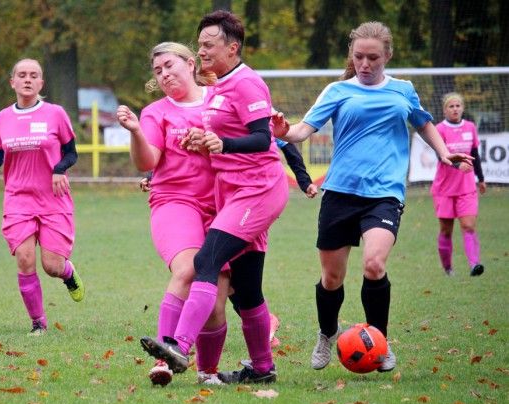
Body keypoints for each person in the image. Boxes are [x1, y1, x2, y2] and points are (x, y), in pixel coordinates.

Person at [276, 21, 473, 372]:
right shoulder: (337, 90)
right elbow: (302, 131)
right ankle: (327, 333)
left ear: (387, 56)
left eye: (373, 58)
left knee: (374, 264)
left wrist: (443, 152)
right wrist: (284, 131)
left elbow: (423, 123)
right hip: (340, 193)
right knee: (331, 279)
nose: (365, 64)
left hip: (384, 193)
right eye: (359, 57)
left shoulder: (403, 90)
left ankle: (379, 341)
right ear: (351, 56)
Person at [141, 10, 290, 385]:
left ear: (232, 47)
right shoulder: (220, 87)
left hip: (255, 191)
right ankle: (262, 369)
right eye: (200, 44)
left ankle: (178, 346)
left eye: (209, 45)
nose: (202, 50)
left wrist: (223, 144)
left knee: (206, 261)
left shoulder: (247, 83)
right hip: (234, 193)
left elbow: (263, 139)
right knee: (248, 287)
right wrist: (204, 144)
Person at [117, 42, 231, 386]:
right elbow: (147, 161)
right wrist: (136, 132)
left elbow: (247, 145)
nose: (164, 74)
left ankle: (207, 373)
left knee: (216, 302)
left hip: (222, 205)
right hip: (174, 202)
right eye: (158, 71)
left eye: (169, 65)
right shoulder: (156, 112)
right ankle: (165, 359)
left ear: (190, 63)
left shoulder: (221, 101)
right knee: (189, 268)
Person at [0, 58, 84, 335]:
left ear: (41, 83)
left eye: (33, 75)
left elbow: (71, 153)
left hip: (53, 198)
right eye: (22, 75)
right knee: (25, 259)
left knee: (51, 266)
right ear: (12, 82)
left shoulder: (56, 114)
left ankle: (68, 273)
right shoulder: (3, 118)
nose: (27, 79)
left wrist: (59, 169)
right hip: (18, 199)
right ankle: (38, 323)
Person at [431, 92, 486, 277]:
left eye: (458, 106)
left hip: (467, 187)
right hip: (444, 189)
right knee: (446, 230)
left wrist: (481, 178)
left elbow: (475, 154)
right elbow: (440, 155)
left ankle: (474, 265)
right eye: (451, 106)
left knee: (469, 225)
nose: (455, 109)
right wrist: (457, 165)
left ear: (462, 108)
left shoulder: (470, 127)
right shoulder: (439, 129)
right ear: (444, 110)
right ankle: (448, 269)